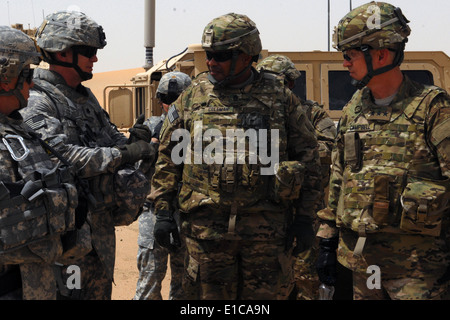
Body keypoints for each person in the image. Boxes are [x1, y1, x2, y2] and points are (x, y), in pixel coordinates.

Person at [150, 12, 322, 300]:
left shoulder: (279, 97)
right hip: (207, 234)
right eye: (209, 55)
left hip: (265, 234)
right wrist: (164, 213)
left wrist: (305, 219)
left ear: (247, 55)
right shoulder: (193, 97)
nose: (211, 62)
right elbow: (169, 158)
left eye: (221, 55)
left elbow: (309, 157)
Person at [316, 1, 450, 300]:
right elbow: (339, 176)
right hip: (363, 262)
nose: (345, 63)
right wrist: (327, 241)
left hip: (418, 269)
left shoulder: (433, 108)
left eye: (350, 55)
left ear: (380, 53)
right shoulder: (354, 107)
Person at [20, 11, 156, 300]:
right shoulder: (37, 99)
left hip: (99, 234)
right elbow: (61, 157)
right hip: (64, 237)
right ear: (64, 52)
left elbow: (111, 140)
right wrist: (122, 154)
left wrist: (134, 143)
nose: (95, 59)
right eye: (90, 52)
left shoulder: (85, 97)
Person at [0, 26, 78, 300]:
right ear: (7, 77)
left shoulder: (22, 131)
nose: (31, 84)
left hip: (39, 283)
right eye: (27, 74)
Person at [257, 54, 337, 300]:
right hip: (266, 211)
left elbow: (328, 151)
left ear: (290, 84)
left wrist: (294, 153)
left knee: (305, 279)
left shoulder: (312, 114)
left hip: (305, 208)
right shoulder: (254, 114)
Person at [134, 71, 191, 300]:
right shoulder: (150, 128)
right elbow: (136, 171)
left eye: (177, 99)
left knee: (186, 284)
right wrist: (149, 147)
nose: (171, 105)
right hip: (155, 213)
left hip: (187, 213)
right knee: (149, 281)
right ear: (160, 101)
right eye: (168, 99)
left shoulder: (198, 129)